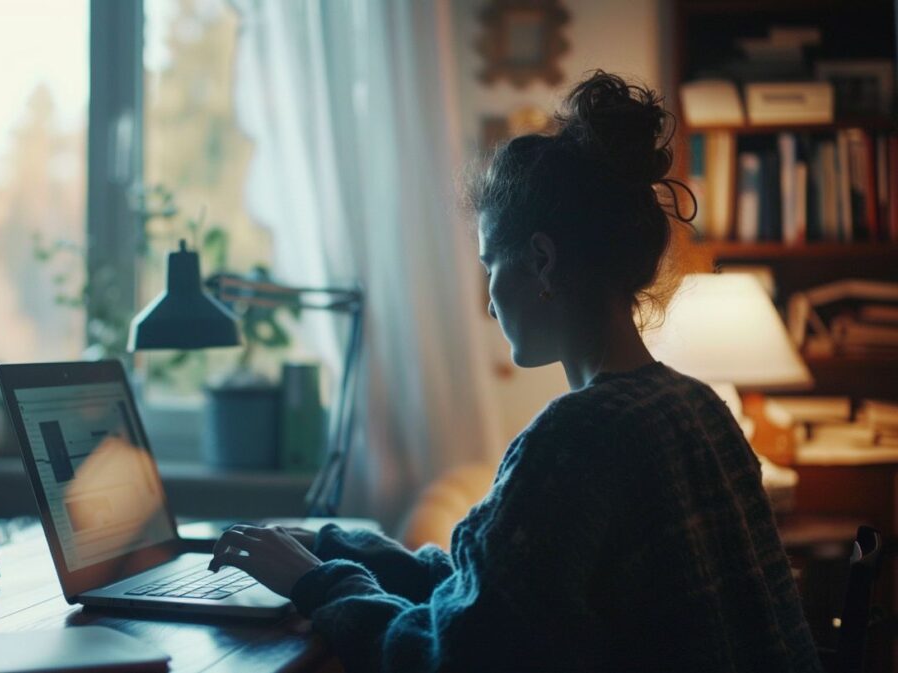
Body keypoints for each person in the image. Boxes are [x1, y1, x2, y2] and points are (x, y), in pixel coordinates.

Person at [208, 71, 821, 672]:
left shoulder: (579, 438)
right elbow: (497, 590)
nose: (490, 299)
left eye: (490, 265)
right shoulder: (696, 408)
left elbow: (443, 657)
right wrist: (331, 546)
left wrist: (317, 583)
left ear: (541, 261)